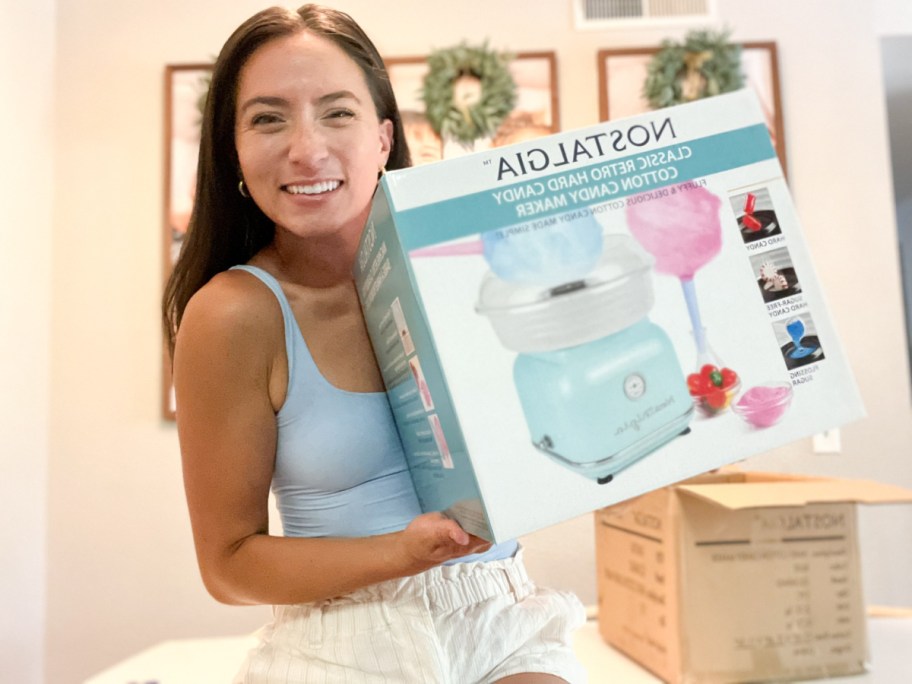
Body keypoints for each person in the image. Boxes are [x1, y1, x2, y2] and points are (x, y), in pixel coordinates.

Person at [162, 5, 586, 682]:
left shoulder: (468, 271)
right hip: (343, 641)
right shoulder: (234, 315)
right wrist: (402, 552)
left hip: (504, 619)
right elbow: (229, 565)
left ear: (384, 137)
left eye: (337, 112)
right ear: (234, 149)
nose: (306, 149)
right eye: (268, 118)